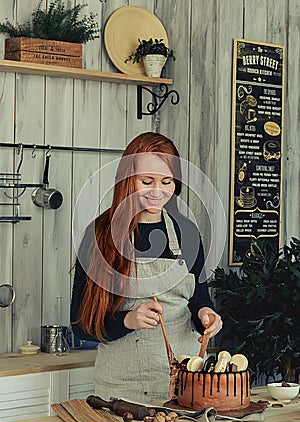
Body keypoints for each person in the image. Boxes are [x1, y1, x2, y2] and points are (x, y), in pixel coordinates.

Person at [71, 132, 222, 404]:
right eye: (146, 181)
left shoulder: (187, 232)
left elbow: (199, 300)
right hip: (122, 394)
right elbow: (80, 325)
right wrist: (127, 320)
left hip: (187, 389)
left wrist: (206, 316)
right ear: (128, 179)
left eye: (167, 181)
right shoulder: (99, 235)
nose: (157, 191)